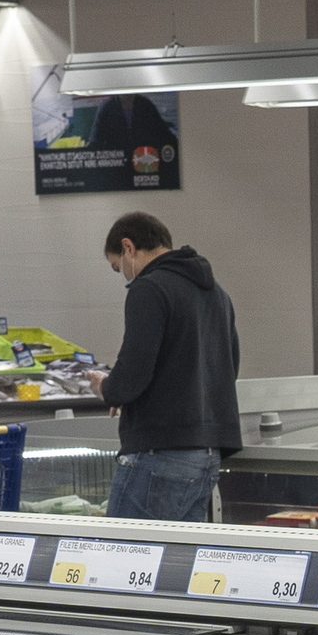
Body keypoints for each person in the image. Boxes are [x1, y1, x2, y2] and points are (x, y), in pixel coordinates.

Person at [97, 211, 240, 522]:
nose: (124, 275)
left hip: (160, 453)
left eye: (118, 267)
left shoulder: (149, 288)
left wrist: (107, 388)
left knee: (127, 548)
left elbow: (133, 370)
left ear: (128, 247)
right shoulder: (217, 293)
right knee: (178, 553)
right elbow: (229, 366)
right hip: (207, 454)